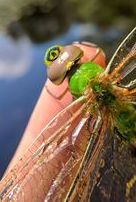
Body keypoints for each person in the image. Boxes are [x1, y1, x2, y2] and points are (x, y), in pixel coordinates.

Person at [7, 42, 106, 170]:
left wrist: (50, 91)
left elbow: (59, 97)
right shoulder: (91, 60)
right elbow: (97, 53)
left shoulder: (72, 95)